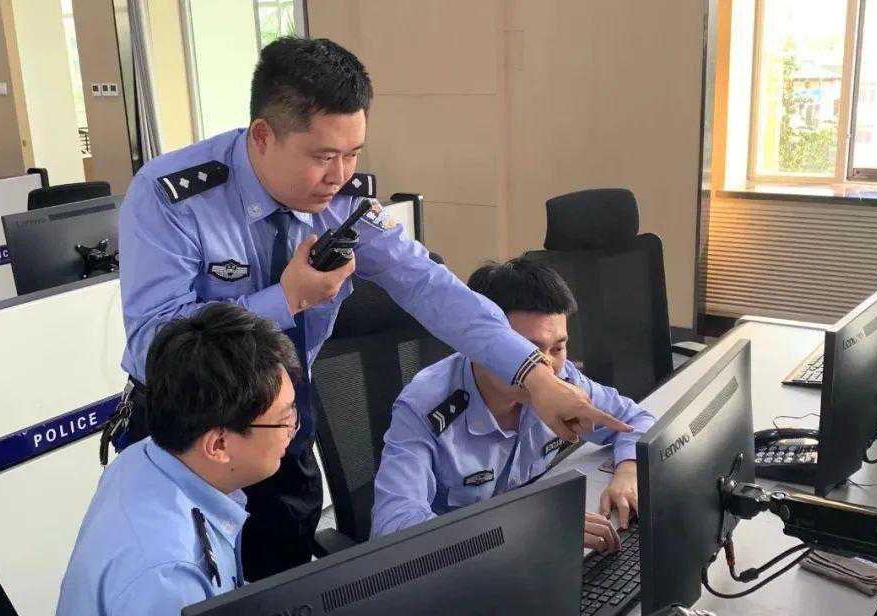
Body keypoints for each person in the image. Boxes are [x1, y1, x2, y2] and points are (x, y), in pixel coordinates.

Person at [110, 36, 632, 580]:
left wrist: (533, 375)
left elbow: (430, 286)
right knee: (188, 583)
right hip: (191, 432)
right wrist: (287, 300)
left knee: (283, 579)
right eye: (323, 157)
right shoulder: (173, 197)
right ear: (263, 136)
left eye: (353, 154)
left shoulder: (340, 201)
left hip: (283, 421)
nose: (339, 175)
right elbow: (153, 346)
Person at [371, 258, 656, 554]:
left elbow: (635, 420)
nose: (547, 368)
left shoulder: (561, 381)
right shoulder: (425, 407)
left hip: (531, 552)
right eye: (528, 352)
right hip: (459, 564)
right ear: (480, 344)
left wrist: (628, 472)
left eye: (558, 348)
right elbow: (393, 530)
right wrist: (526, 528)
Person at [57, 304, 299, 614]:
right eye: (284, 420)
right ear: (218, 445)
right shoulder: (171, 579)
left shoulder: (144, 455)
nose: (294, 428)